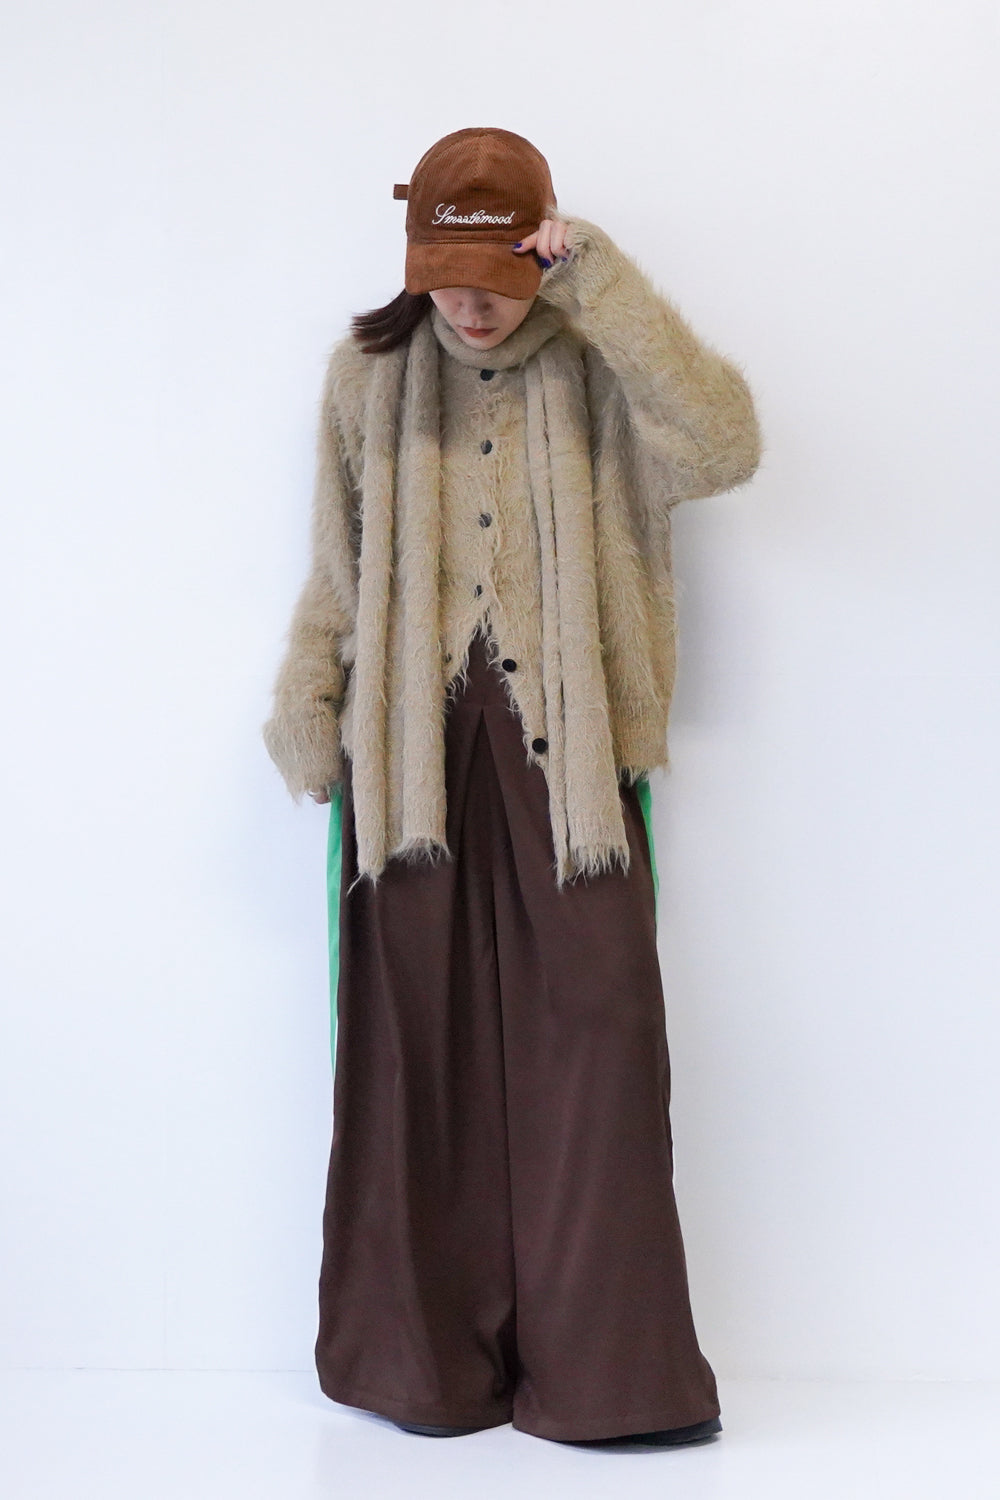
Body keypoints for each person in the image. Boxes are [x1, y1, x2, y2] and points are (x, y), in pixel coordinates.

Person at [262, 126, 762, 1447]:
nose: (470, 307)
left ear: (538, 257)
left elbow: (724, 446)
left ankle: (607, 1379)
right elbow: (338, 565)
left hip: (572, 754)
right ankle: (421, 1369)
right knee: (411, 1052)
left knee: (599, 1038)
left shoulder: (600, 366)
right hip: (406, 755)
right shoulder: (367, 380)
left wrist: (605, 283)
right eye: (445, 277)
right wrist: (309, 694)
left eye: (493, 279)